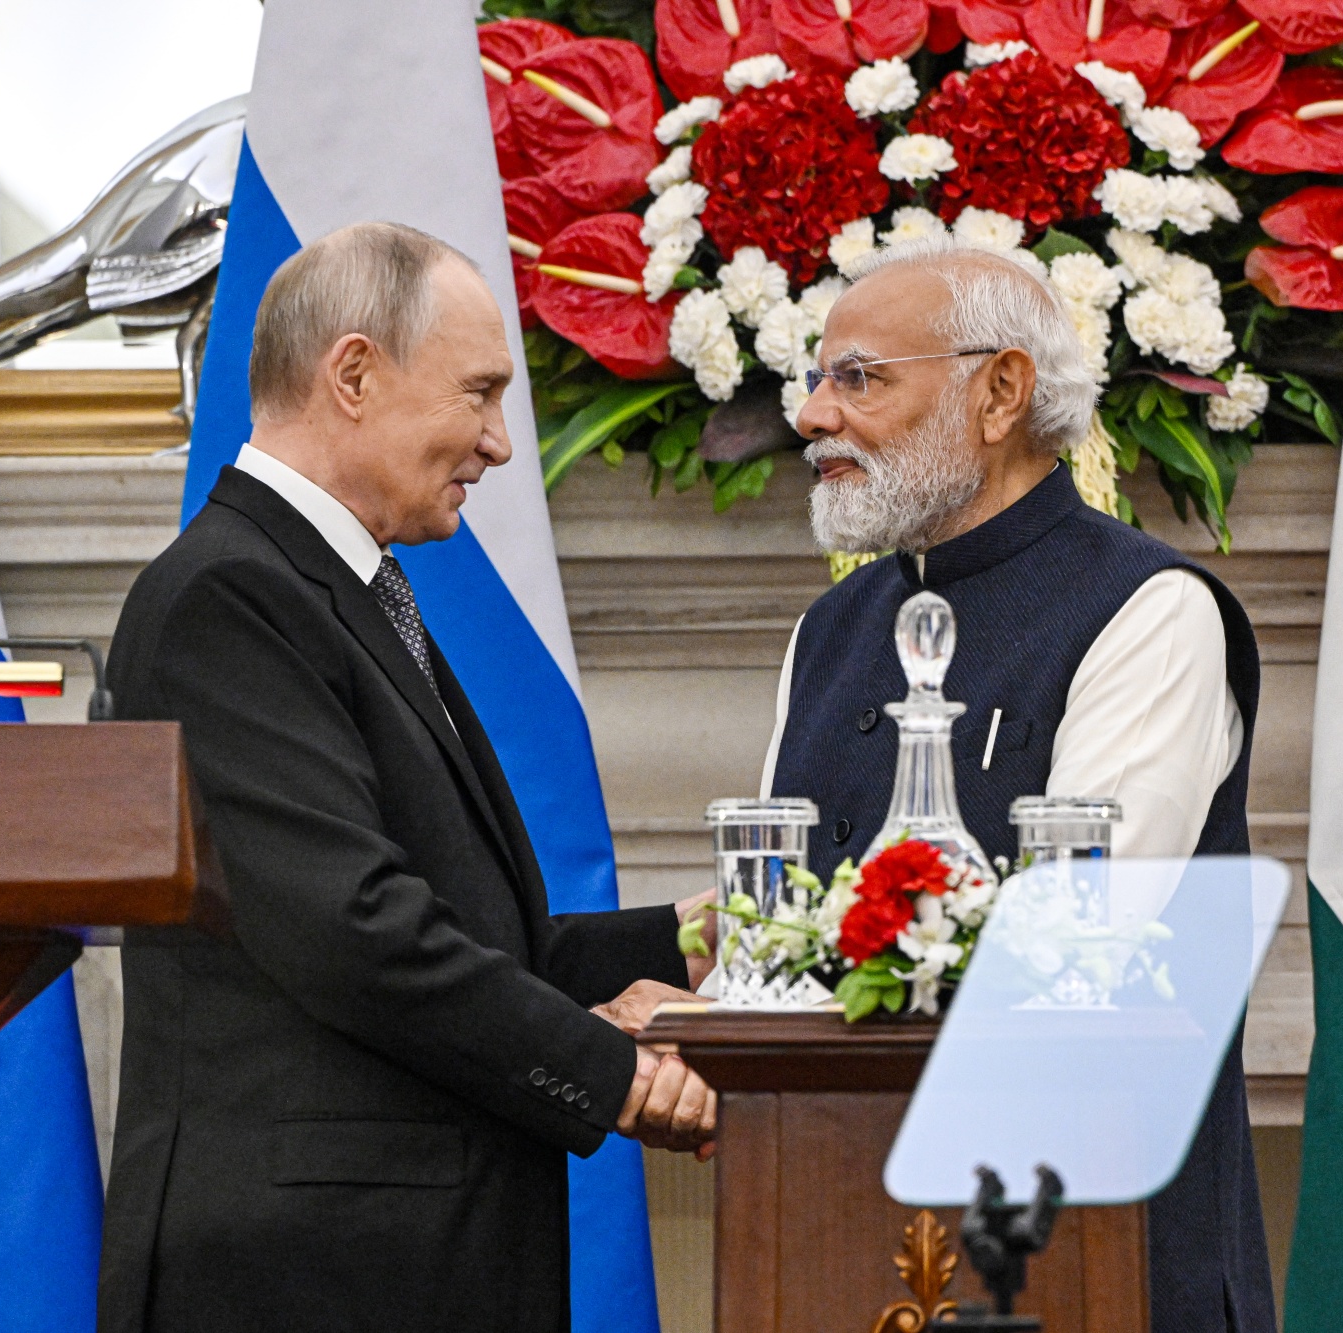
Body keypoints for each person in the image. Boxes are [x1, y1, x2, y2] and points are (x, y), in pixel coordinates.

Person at [98, 221, 717, 1333]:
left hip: (384, 1263)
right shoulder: (226, 600)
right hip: (302, 1281)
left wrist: (688, 940)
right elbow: (354, 931)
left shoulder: (331, 587)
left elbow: (463, 930)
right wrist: (614, 1072)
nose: (497, 445)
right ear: (351, 373)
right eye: (477, 394)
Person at [761, 234, 1272, 1331]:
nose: (811, 416)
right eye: (813, 379)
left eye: (855, 378)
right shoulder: (828, 632)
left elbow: (1083, 942)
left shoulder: (1149, 610)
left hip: (1090, 1255)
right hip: (838, 1235)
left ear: (999, 393)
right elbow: (780, 928)